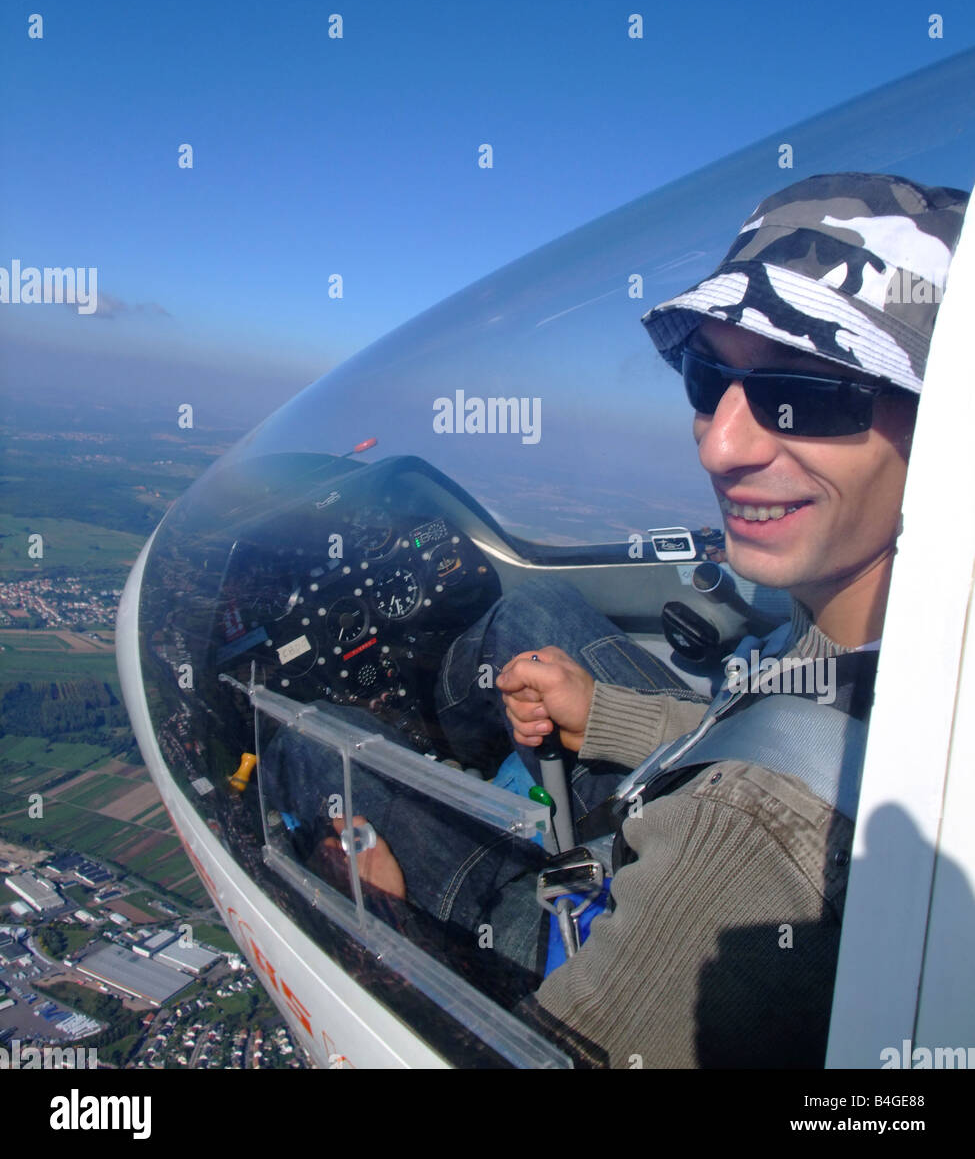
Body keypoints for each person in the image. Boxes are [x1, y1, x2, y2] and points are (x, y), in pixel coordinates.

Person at [269, 172, 969, 1067]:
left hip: (586, 928)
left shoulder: (746, 844)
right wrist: (606, 715)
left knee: (319, 742)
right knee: (529, 610)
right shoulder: (903, 636)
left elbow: (777, 793)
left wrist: (384, 939)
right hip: (700, 805)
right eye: (708, 376)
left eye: (802, 396)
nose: (720, 442)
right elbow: (803, 734)